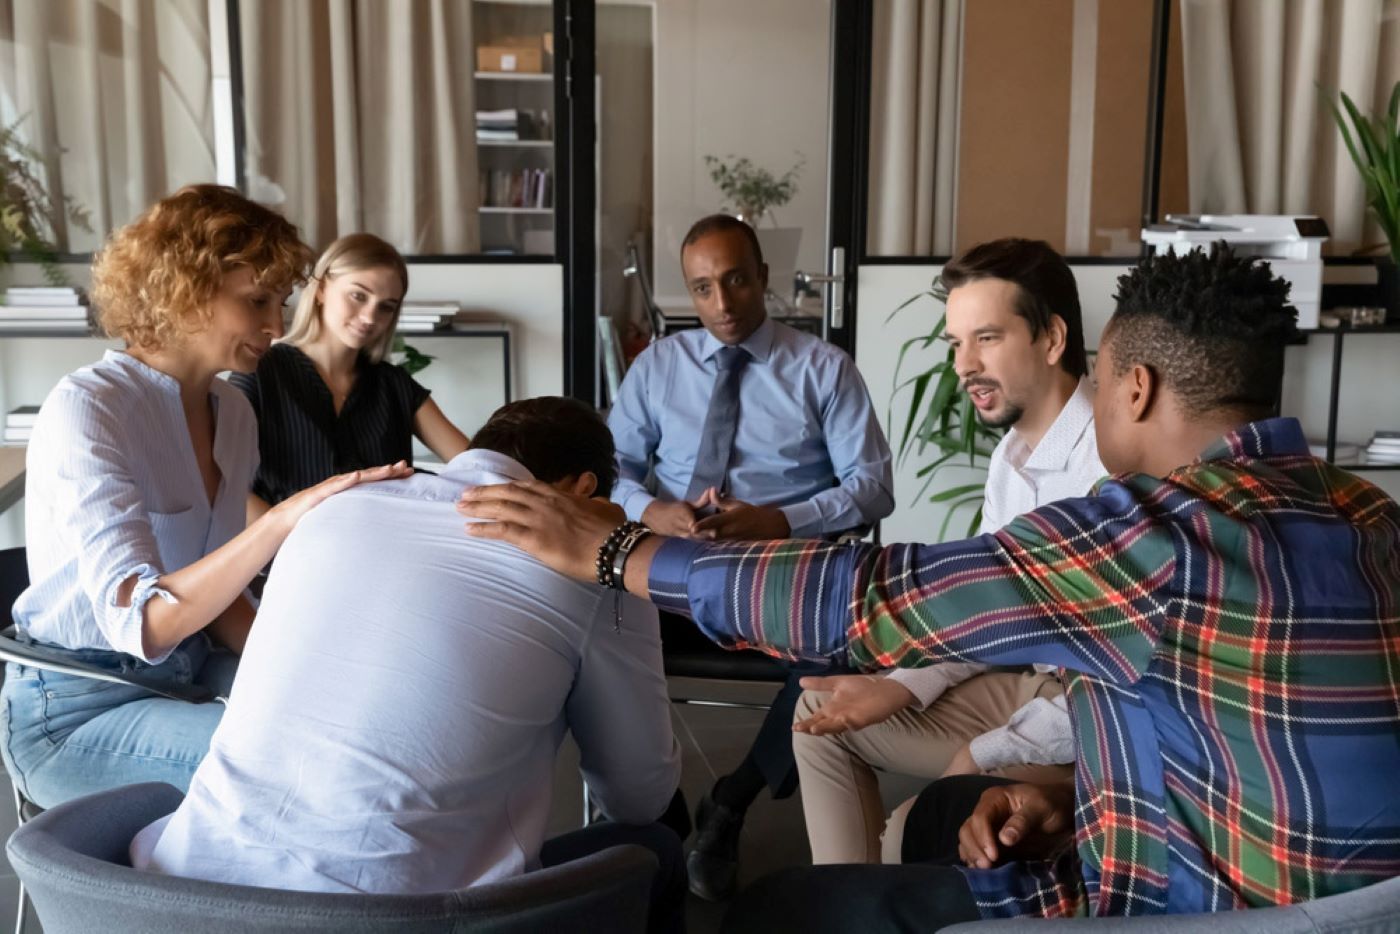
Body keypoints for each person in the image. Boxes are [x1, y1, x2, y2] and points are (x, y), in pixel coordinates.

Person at [458, 244, 1400, 929]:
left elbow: (873, 593)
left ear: (1136, 389)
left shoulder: (1156, 535)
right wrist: (1069, 800)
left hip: (1178, 912)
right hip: (1303, 899)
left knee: (779, 914)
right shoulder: (1369, 515)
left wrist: (618, 554)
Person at [132, 397, 685, 933]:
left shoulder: (331, 507)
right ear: (585, 490)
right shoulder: (597, 565)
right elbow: (638, 797)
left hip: (179, 897)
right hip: (395, 918)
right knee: (655, 846)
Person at [0, 185, 409, 810]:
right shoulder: (91, 406)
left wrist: (329, 664)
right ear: (185, 287)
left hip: (185, 672)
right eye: (257, 300)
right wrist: (282, 520)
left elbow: (219, 605)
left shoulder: (233, 412)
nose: (277, 326)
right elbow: (144, 622)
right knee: (307, 763)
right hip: (77, 709)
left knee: (365, 721)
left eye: (280, 302)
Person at [606, 213, 895, 899]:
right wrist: (650, 508)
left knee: (837, 655)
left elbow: (873, 488)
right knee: (592, 633)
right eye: (702, 288)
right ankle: (653, 817)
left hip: (781, 569)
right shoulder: (658, 367)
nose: (723, 303)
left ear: (764, 276)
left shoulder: (822, 368)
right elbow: (611, 466)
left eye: (736, 280)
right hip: (675, 563)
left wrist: (780, 520)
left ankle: (730, 803)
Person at [791, 239, 1105, 865]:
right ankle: (847, 903)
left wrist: (982, 752)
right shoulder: (1011, 456)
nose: (964, 365)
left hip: (1086, 711)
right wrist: (901, 688)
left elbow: (1120, 689)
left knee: (911, 831)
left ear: (1051, 338)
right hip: (1024, 683)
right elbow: (979, 609)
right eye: (956, 343)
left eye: (986, 338)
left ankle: (882, 894)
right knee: (821, 715)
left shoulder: (1110, 461)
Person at [229, 233, 470, 524]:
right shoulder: (260, 373)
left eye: (386, 306)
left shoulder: (394, 385)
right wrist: (289, 541)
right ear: (321, 288)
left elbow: (478, 466)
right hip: (284, 549)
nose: (369, 317)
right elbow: (226, 487)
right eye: (358, 296)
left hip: (381, 543)